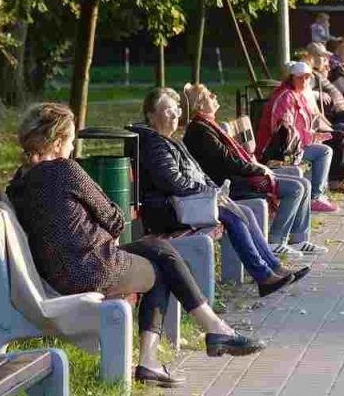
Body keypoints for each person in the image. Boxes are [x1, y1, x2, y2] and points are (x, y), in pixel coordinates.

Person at [6, 103, 265, 388]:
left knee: (157, 248)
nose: (71, 149)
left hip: (62, 269)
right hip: (89, 270)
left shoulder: (19, 182)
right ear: (57, 143)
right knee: (160, 265)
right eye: (69, 142)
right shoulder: (65, 170)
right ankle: (177, 346)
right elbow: (115, 218)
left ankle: (209, 331)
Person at [132, 88, 308, 297]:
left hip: (184, 204)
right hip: (168, 211)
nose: (174, 116)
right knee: (232, 214)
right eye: (168, 111)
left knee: (243, 211)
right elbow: (173, 183)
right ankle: (263, 276)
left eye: (177, 111)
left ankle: (273, 268)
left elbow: (197, 172)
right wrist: (209, 192)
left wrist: (213, 191)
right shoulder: (155, 145)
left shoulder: (169, 140)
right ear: (151, 116)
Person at [180, 83, 328, 258]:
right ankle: (275, 241)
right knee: (296, 188)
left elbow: (233, 160)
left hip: (238, 176)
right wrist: (258, 169)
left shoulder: (208, 126)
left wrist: (258, 168)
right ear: (199, 105)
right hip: (229, 183)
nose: (215, 97)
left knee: (303, 183)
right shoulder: (200, 131)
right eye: (210, 96)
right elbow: (230, 162)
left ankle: (299, 239)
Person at [256, 62, 344, 213]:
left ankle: (321, 193)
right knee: (324, 151)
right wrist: (311, 137)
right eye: (300, 77)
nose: (304, 81)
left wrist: (314, 134)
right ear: (291, 78)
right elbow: (283, 132)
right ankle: (316, 197)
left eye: (307, 77)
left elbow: (300, 127)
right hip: (276, 152)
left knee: (330, 144)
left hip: (291, 146)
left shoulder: (297, 94)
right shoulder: (285, 97)